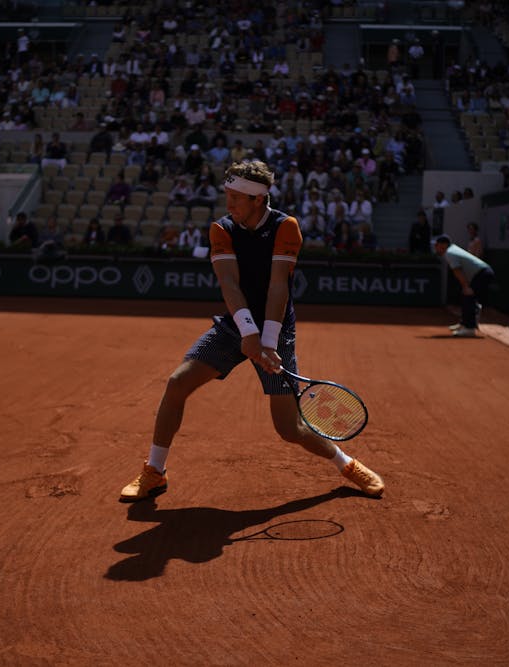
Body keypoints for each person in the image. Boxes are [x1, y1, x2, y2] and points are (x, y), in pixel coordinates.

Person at [118, 159, 384, 503]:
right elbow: (229, 284)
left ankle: (347, 465)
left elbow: (278, 287)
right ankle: (154, 472)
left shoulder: (286, 227)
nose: (228, 205)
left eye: (235, 198)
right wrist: (248, 334)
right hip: (234, 327)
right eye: (227, 196)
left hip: (277, 332)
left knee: (289, 430)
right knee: (177, 383)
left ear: (258, 199)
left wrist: (267, 342)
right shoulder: (222, 229)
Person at [433, 234, 494, 338]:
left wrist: (466, 286)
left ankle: (469, 329)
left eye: (436, 245)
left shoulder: (449, 253)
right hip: (480, 273)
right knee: (466, 296)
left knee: (469, 296)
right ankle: (464, 324)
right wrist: (466, 286)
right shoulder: (452, 250)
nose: (435, 247)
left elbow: (458, 271)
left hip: (482, 274)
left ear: (443, 245)